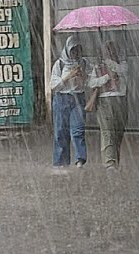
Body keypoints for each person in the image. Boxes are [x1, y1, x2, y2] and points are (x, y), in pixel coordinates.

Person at [49, 35, 88, 167]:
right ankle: (61, 162)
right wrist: (68, 76)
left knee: (78, 129)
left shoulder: (84, 63)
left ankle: (80, 159)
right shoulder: (59, 64)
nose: (75, 53)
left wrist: (82, 76)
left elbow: (89, 82)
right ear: (67, 50)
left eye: (78, 50)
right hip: (62, 98)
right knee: (61, 131)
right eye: (73, 50)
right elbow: (53, 85)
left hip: (78, 98)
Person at [89, 39, 128, 169]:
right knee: (107, 131)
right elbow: (91, 83)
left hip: (120, 100)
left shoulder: (123, 64)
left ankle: (115, 159)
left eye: (112, 50)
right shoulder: (98, 67)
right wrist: (105, 78)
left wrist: (110, 64)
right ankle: (109, 161)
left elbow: (122, 73)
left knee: (118, 132)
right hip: (104, 101)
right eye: (107, 50)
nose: (110, 52)